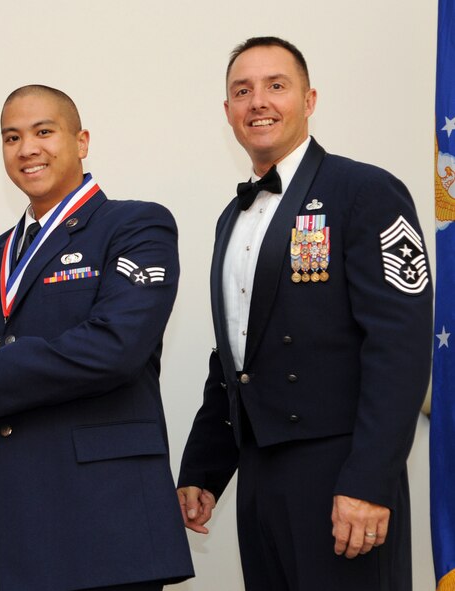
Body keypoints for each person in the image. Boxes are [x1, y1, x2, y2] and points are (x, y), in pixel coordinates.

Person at [0, 85, 193, 590]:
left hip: (105, 529)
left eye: (44, 132)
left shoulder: (136, 225)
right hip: (11, 534)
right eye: (12, 137)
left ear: (81, 140)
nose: (28, 148)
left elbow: (116, 347)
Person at [177, 37, 432, 590]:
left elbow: (400, 348)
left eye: (276, 86)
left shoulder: (365, 191)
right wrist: (203, 470)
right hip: (260, 475)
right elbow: (236, 355)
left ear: (309, 99)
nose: (257, 102)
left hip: (342, 472)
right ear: (227, 113)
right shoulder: (231, 218)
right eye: (242, 91)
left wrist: (369, 481)